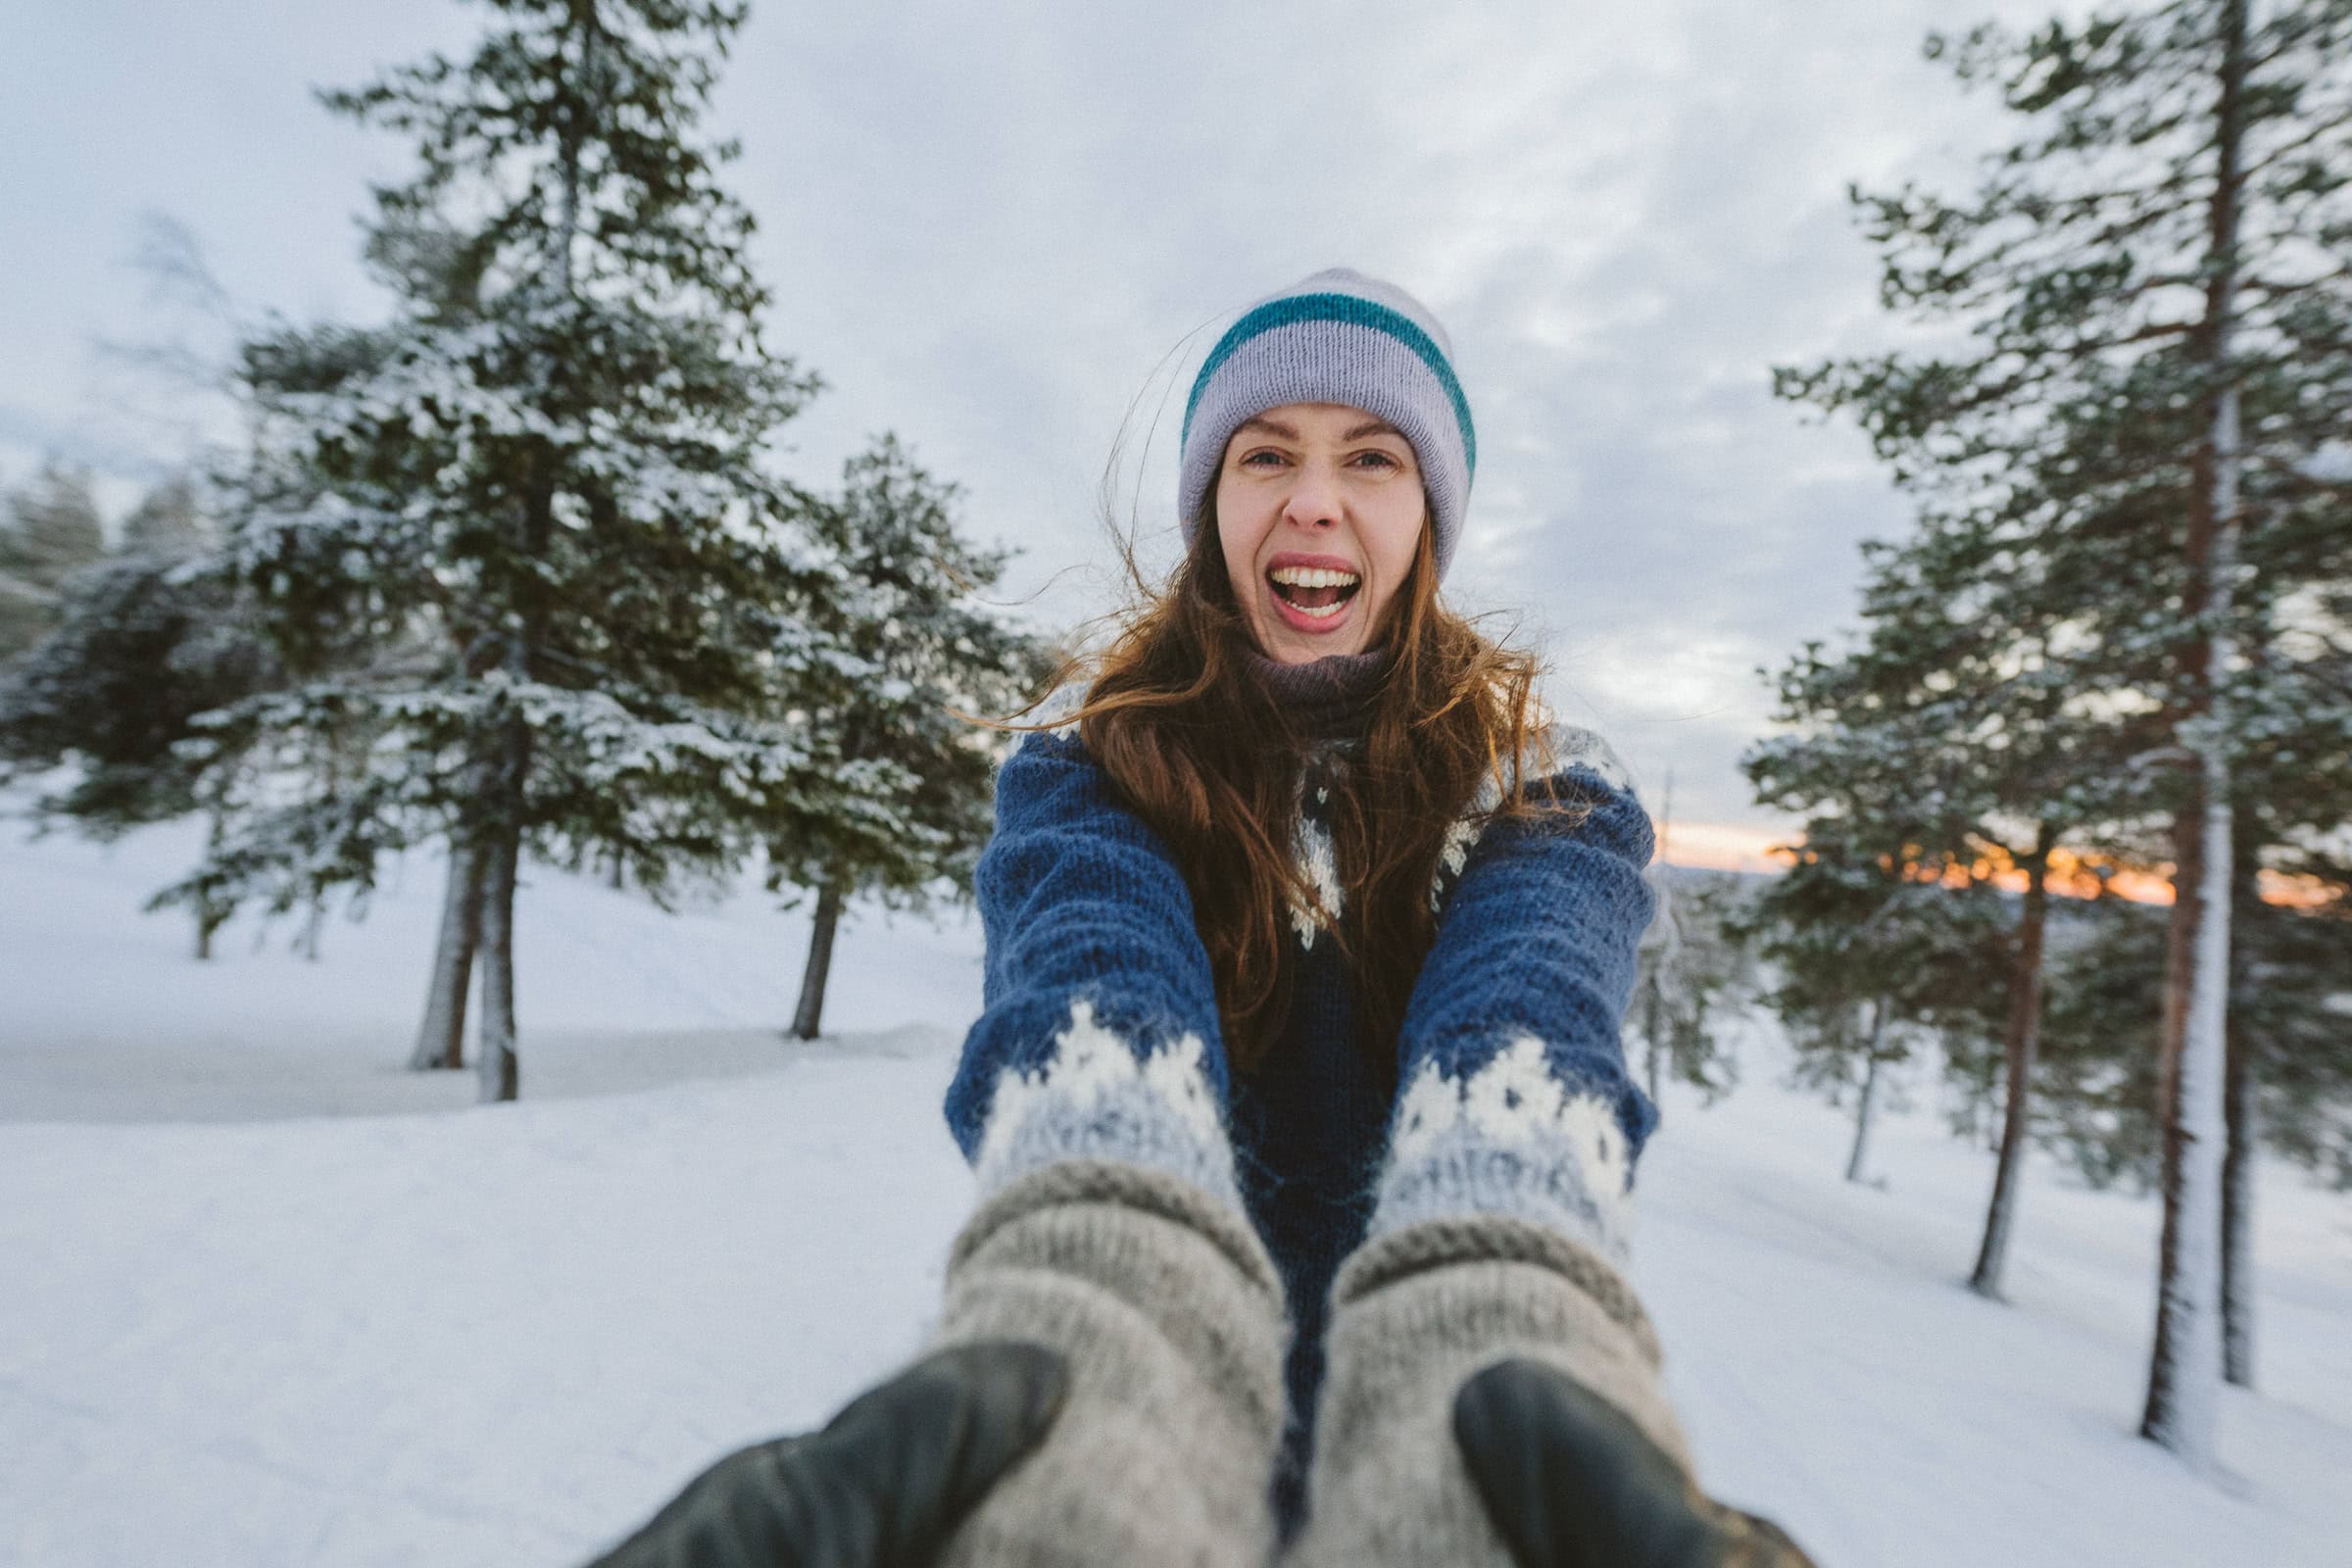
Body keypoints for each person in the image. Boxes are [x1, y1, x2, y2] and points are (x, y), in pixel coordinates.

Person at [587, 270, 1814, 1568]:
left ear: (1432, 516)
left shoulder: (1551, 790)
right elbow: (1096, 1026)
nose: (1313, 499)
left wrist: (1498, 1365)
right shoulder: (1090, 770)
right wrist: (1082, 1368)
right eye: (1266, 453)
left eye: (1374, 458)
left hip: (1400, 1435)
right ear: (1212, 503)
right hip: (1161, 1448)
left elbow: (1523, 1050)